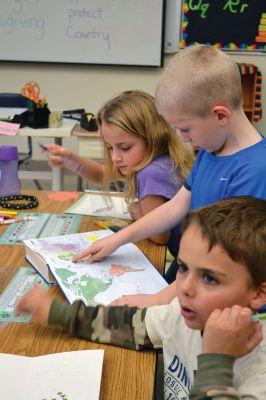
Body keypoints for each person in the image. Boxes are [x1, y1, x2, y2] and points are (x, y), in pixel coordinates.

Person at [18, 196, 266, 399]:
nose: (185, 288)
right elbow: (129, 325)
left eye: (210, 279)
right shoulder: (182, 314)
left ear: (259, 293)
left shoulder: (259, 375)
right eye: (182, 268)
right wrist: (58, 313)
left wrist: (216, 361)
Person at [72, 44, 266, 304]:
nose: (184, 139)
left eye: (185, 129)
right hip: (190, 281)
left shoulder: (255, 170)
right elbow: (177, 206)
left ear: (220, 115)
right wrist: (117, 240)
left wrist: (153, 301)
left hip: (221, 302)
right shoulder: (211, 150)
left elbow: (224, 265)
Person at [44, 90, 193, 253]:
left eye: (124, 148)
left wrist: (138, 211)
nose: (115, 157)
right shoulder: (163, 157)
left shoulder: (151, 173)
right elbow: (102, 174)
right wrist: (71, 159)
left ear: (152, 137)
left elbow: (160, 237)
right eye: (110, 147)